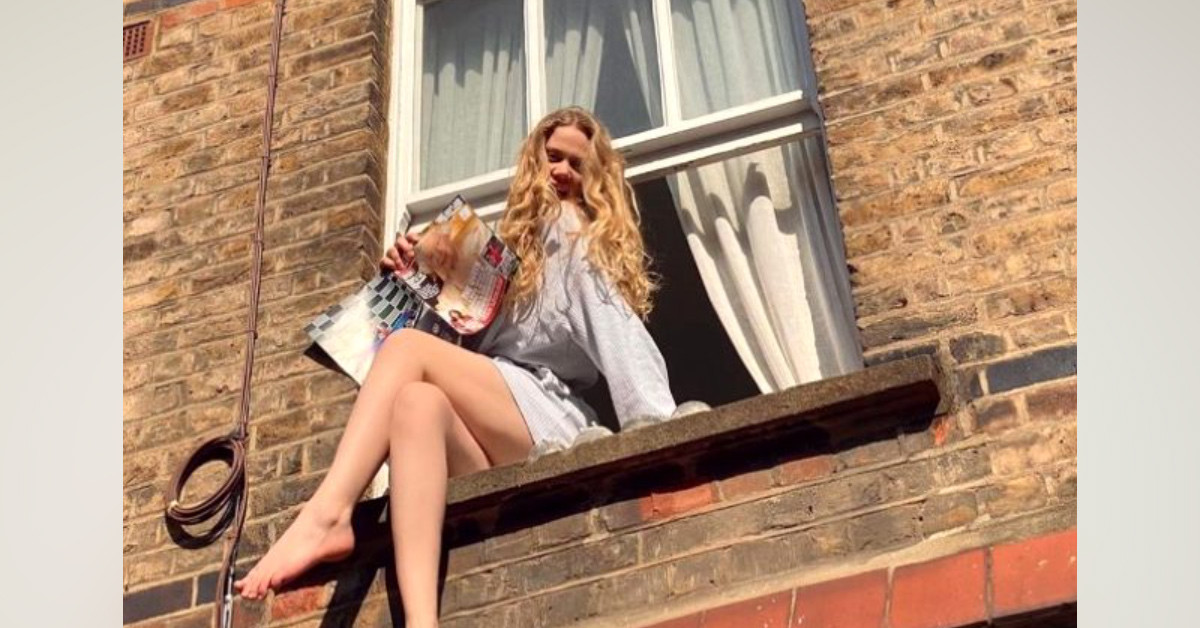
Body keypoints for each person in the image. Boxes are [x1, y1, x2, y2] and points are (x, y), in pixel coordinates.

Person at [233, 107, 677, 627]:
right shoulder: (506, 255)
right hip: (491, 430)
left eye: (577, 165)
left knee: (407, 350)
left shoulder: (572, 232)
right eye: (553, 157)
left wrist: (659, 430)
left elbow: (615, 328)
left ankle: (328, 513)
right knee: (416, 404)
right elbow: (450, 351)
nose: (561, 171)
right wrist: (410, 281)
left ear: (595, 179)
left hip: (546, 415)